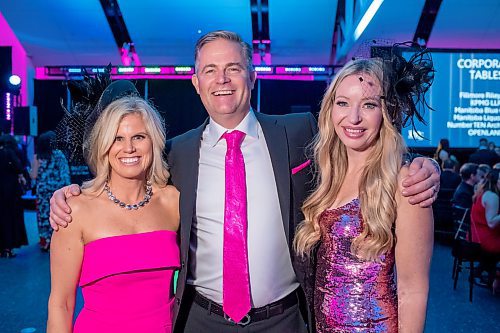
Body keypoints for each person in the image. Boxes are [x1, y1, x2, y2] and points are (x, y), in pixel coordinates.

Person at [49, 31, 440, 333]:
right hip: (201, 320)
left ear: (252, 75)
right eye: (210, 71)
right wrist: (71, 195)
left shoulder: (299, 133)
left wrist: (423, 167)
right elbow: (127, 177)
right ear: (195, 83)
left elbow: (359, 146)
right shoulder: (174, 153)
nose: (222, 79)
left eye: (233, 68)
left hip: (285, 320)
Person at [295, 56, 434, 332]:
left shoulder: (405, 182)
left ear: (387, 112)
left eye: (369, 105)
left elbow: (413, 291)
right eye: (343, 103)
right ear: (330, 109)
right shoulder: (325, 174)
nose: (353, 117)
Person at [47, 87, 180, 332]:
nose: (128, 148)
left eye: (139, 137)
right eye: (117, 138)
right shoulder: (75, 211)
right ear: (104, 146)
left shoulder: (173, 202)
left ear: (154, 141)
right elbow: (61, 304)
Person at [30, 130, 71, 251]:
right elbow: (65, 174)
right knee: (57, 214)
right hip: (56, 191)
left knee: (43, 215)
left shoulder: (37, 156)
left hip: (42, 191)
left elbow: (34, 175)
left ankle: (45, 241)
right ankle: (56, 241)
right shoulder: (59, 154)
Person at [470, 169, 500, 291]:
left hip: (476, 235)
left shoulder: (483, 192)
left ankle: (489, 273)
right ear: (496, 181)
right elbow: (491, 222)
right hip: (485, 239)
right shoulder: (492, 196)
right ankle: (496, 277)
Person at [0, 134, 28, 258]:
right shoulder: (10, 153)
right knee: (10, 218)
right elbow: (20, 167)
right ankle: (8, 248)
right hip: (10, 191)